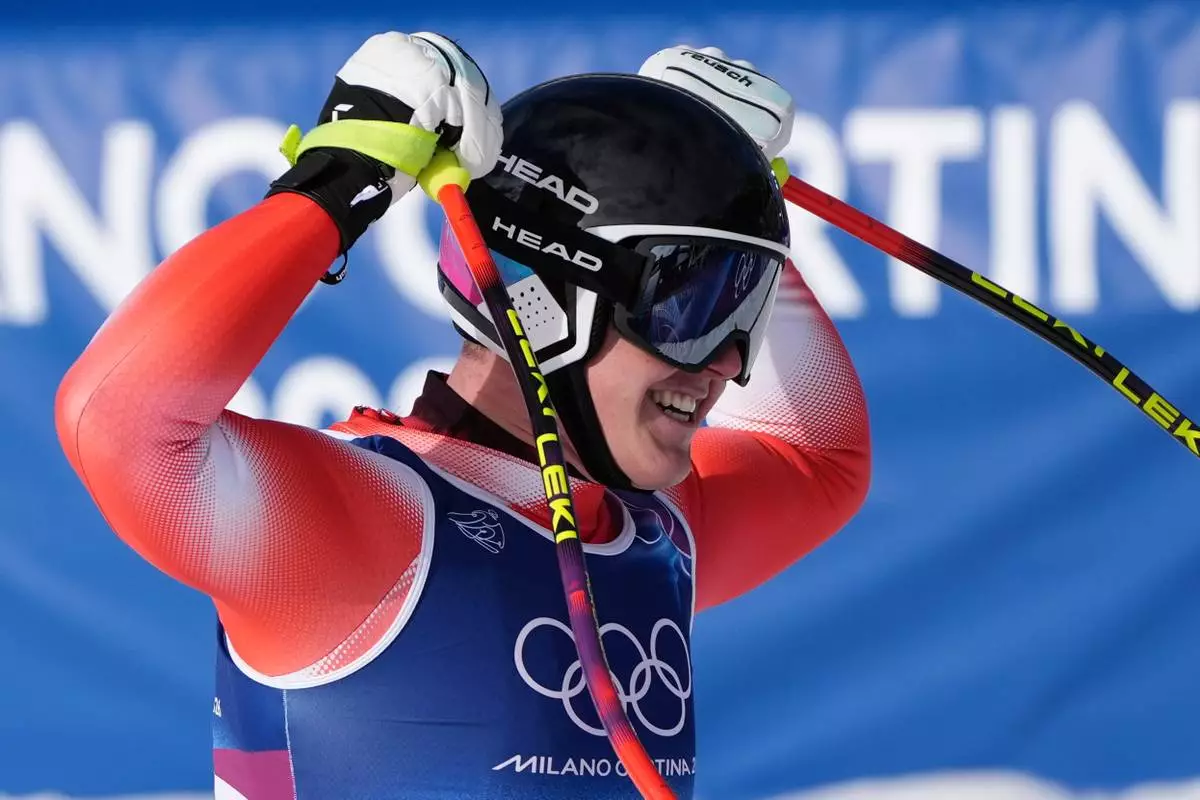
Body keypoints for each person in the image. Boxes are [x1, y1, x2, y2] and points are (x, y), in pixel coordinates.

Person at [55, 31, 870, 800]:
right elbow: (116, 421)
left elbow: (819, 456)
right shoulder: (375, 532)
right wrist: (337, 180)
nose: (728, 361)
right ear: (544, 304)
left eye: (747, 305)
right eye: (691, 308)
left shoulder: (650, 533)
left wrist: (716, 164)